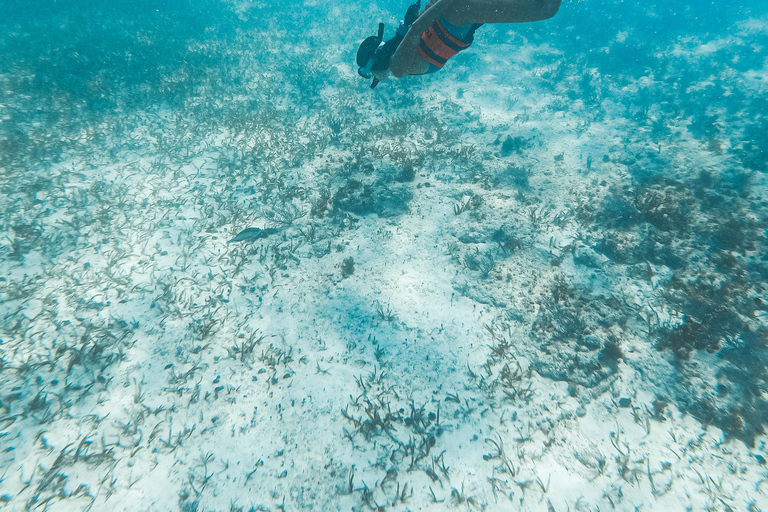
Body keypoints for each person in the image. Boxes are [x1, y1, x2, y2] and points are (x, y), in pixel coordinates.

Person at [356, 0, 562, 88]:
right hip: (458, 13)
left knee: (545, 8)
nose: (378, 77)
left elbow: (417, 29)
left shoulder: (398, 66)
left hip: (459, 14)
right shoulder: (399, 61)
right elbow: (418, 28)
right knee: (544, 7)